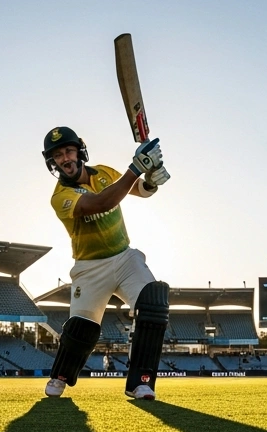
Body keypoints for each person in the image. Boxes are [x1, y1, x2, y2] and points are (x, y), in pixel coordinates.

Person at [40, 126, 171, 400]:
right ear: (53, 162)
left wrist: (150, 180)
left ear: (80, 152)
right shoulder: (60, 196)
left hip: (124, 257)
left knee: (153, 305)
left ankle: (140, 382)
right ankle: (61, 374)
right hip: (89, 267)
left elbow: (137, 190)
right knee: (82, 327)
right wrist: (136, 167)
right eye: (58, 155)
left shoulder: (104, 173)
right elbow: (100, 203)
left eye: (69, 151)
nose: (65, 158)